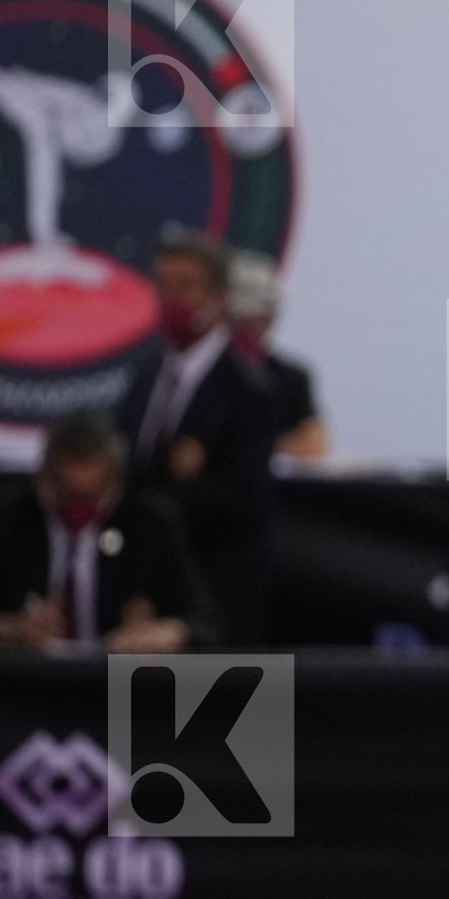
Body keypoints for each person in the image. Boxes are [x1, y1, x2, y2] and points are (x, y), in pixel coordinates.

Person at [116, 228, 278, 644]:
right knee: (138, 708)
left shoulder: (247, 388)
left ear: (219, 298)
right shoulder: (146, 373)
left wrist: (148, 512)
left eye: (186, 286)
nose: (172, 299)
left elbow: (239, 497)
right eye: (163, 286)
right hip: (149, 593)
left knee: (225, 709)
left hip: (217, 591)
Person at [0, 411, 208, 653]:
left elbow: (203, 619)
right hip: (22, 679)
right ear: (40, 478)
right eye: (66, 495)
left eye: (91, 497)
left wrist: (165, 632)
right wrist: (5, 628)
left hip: (116, 680)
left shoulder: (151, 523)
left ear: (117, 486)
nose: (78, 509)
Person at [229, 250, 329, 459]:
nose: (250, 329)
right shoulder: (193, 374)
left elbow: (313, 446)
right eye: (239, 320)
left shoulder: (290, 378)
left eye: (257, 319)